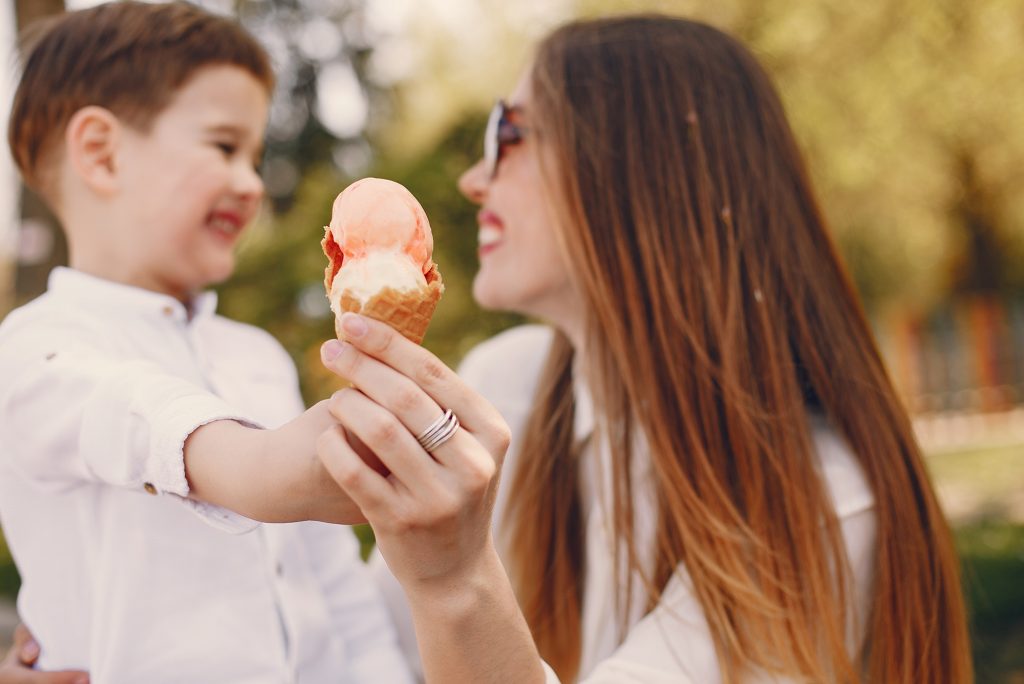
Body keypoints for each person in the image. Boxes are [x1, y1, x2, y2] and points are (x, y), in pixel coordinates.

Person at [314, 14, 974, 683]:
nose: (474, 179)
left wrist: (455, 583)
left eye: (507, 133)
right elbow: (370, 655)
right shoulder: (501, 384)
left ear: (643, 166)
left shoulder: (821, 509)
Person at [0, 2, 412, 682]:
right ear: (101, 153)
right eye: (224, 147)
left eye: (257, 155)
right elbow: (122, 411)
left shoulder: (258, 357)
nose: (251, 183)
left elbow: (334, 586)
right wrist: (255, 465)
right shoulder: (34, 349)